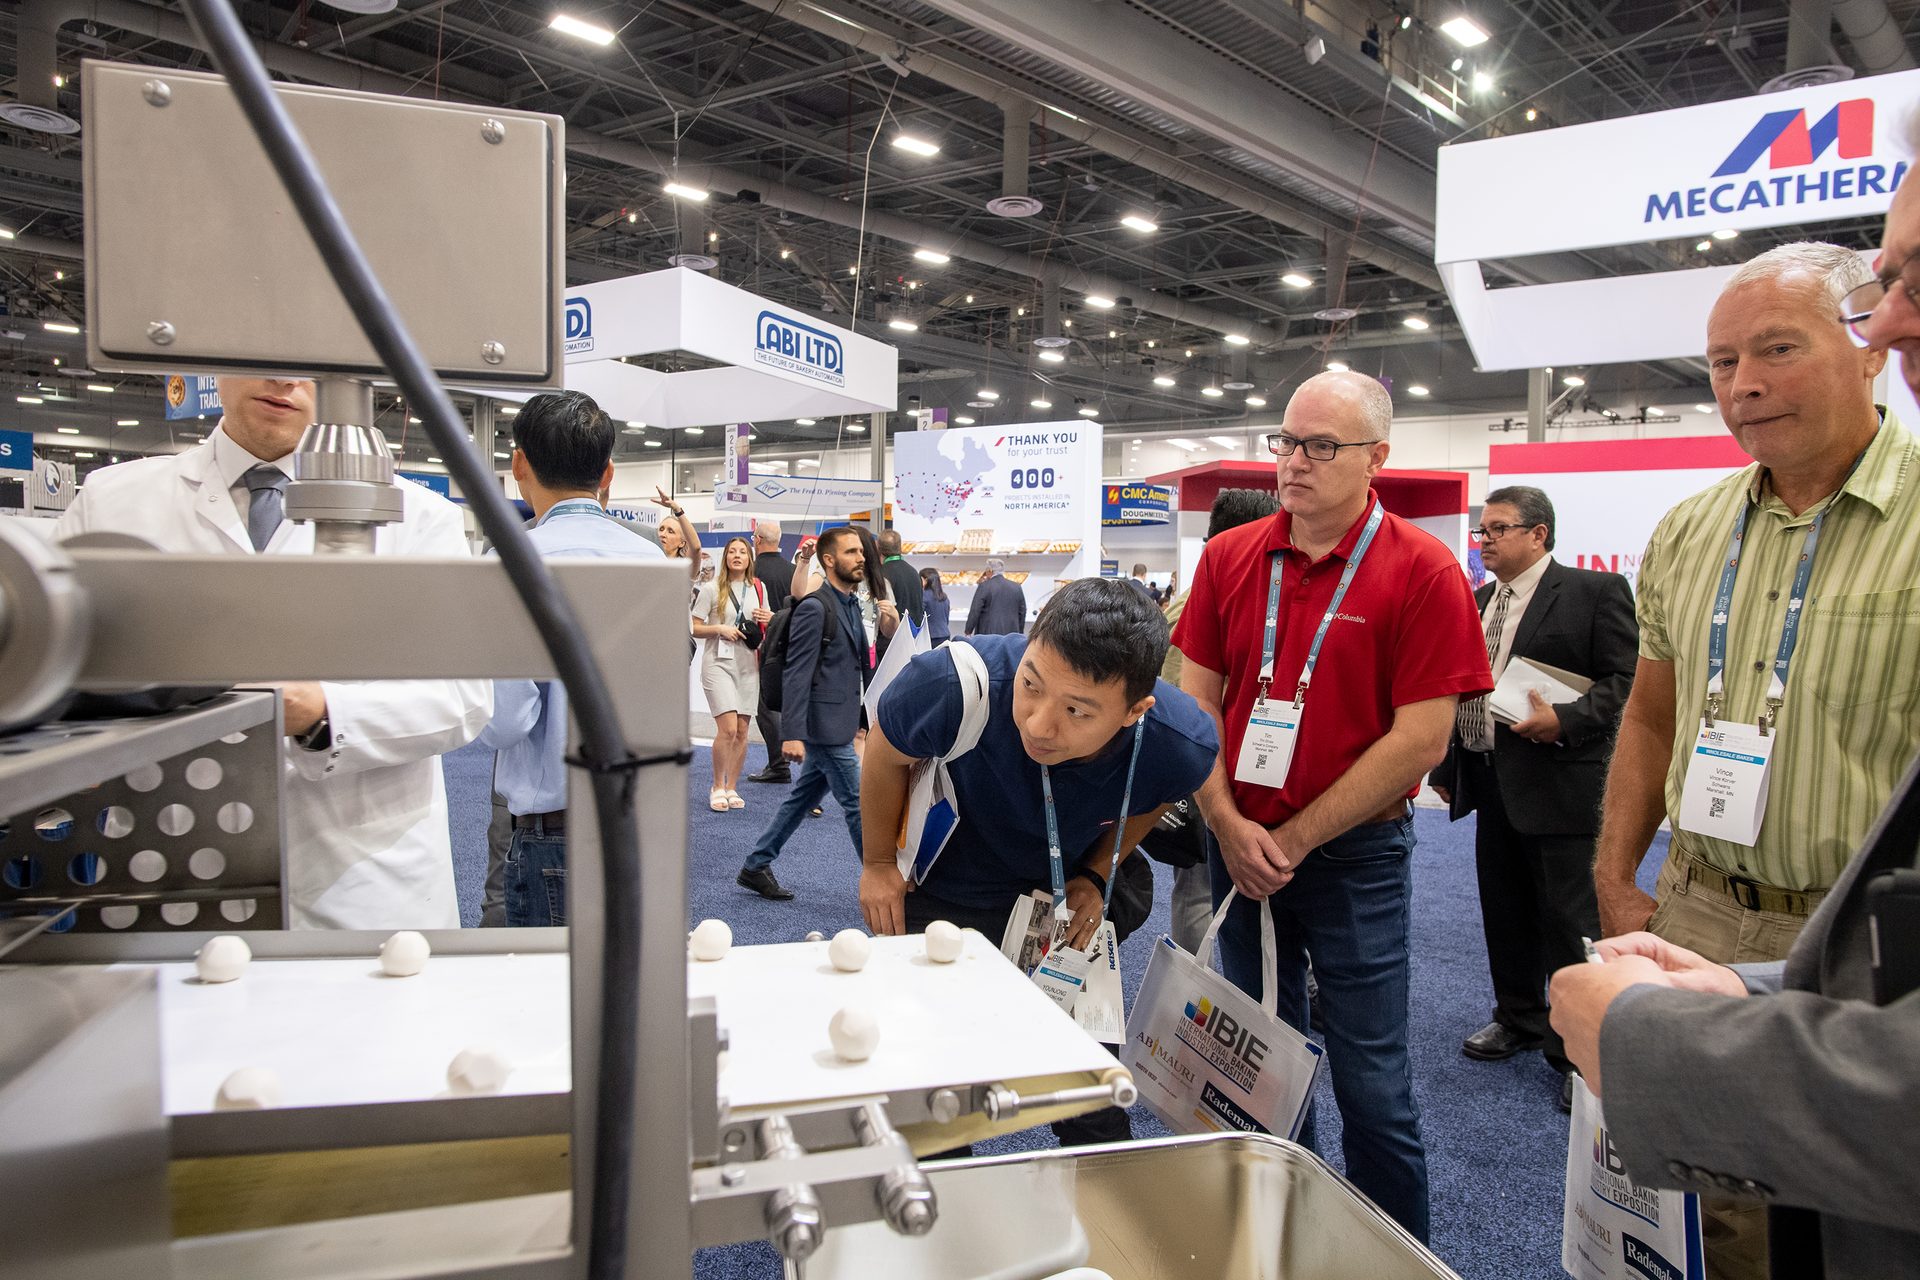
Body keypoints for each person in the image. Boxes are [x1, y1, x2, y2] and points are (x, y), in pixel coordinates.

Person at [1550, 172, 1920, 1280]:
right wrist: (1618, 876)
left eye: (1777, 349)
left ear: (1865, 345)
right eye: (1721, 363)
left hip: (1858, 939)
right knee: (1691, 1215)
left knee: (1847, 1222)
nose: (1743, 386)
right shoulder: (1691, 525)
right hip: (1698, 908)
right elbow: (1653, 712)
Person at [1170, 370, 1492, 1242]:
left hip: (1354, 859)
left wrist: (1296, 836)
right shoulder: (1232, 558)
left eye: (1322, 446)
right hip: (1235, 852)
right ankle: (1286, 1240)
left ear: (1376, 458)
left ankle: (1395, 1255)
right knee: (1262, 1064)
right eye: (1287, 441)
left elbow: (1420, 742)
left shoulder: (1424, 570)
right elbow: (1191, 705)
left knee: (1373, 1084)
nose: (1295, 462)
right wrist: (1231, 826)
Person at [54, 376, 492, 930]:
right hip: (161, 866)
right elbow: (46, 673)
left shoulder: (421, 518)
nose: (284, 380)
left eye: (308, 365)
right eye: (263, 354)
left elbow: (463, 700)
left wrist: (320, 712)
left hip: (358, 881)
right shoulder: (113, 502)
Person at [859, 577, 1219, 1145]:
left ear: (1134, 711)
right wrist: (878, 863)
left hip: (1063, 903)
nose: (1039, 724)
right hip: (955, 882)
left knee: (1088, 1087)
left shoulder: (1179, 741)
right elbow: (884, 750)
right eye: (1031, 684)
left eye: (1077, 711)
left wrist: (1098, 872)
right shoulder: (951, 685)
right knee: (931, 1087)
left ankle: (1104, 1195)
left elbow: (1155, 797)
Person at [1427, 485, 1637, 1108]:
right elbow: (1460, 686)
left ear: (1538, 534)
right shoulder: (1479, 599)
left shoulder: (1595, 593)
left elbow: (1625, 682)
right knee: (1505, 909)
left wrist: (1566, 720)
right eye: (1481, 531)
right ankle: (1519, 1018)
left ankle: (1577, 1051)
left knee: (1570, 921)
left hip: (1560, 780)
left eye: (1497, 529)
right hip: (1490, 780)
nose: (1484, 540)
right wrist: (1450, 761)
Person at [475, 390, 662, 926]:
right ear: (607, 474)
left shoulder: (513, 562)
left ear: (518, 465)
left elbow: (504, 723)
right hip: (641, 815)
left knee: (546, 1000)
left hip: (552, 827)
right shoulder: (650, 559)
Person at [1160, 487, 1278, 954]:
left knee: (1201, 889)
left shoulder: (1188, 602)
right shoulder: (1210, 605)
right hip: (1210, 775)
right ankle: (1196, 989)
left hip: (1210, 770)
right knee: (1201, 889)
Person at [737, 526, 872, 900]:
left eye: (861, 551)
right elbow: (798, 671)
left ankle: (755, 865)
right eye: (850, 552)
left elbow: (855, 666)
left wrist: (862, 720)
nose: (860, 558)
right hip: (823, 728)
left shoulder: (850, 604)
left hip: (840, 722)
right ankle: (881, 881)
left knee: (801, 800)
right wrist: (791, 733)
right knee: (858, 806)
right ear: (828, 561)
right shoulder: (816, 607)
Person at [693, 536, 772, 812]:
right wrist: (719, 629)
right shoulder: (712, 588)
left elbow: (765, 624)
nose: (737, 556)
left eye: (742, 552)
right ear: (725, 557)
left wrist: (769, 618)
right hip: (718, 663)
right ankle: (717, 785)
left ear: (749, 558)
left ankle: (731, 787)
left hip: (748, 663)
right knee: (726, 729)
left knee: (741, 730)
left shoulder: (758, 588)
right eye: (732, 552)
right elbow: (693, 627)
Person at [747, 519, 796, 784]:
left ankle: (778, 764)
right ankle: (781, 761)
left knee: (765, 706)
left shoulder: (749, 571)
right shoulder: (793, 572)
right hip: (793, 645)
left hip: (762, 647)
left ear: (756, 540)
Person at [651, 486, 701, 586]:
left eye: (671, 531)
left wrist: (677, 509)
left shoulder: (684, 568)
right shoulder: (648, 564)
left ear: (682, 543)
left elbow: (696, 548)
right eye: (661, 529)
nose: (663, 534)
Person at [877, 530, 925, 632]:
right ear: (900, 547)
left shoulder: (881, 574)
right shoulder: (914, 572)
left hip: (891, 639)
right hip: (913, 636)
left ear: (878, 548)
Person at [967, 557, 1027, 636]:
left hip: (988, 635)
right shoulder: (1016, 587)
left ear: (990, 571)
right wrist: (1020, 631)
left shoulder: (984, 586)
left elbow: (975, 610)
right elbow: (1022, 611)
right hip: (1011, 634)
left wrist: (968, 630)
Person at [921, 567, 952, 646]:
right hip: (945, 634)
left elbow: (919, 616)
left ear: (926, 581)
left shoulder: (924, 596)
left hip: (930, 636)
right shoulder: (944, 596)